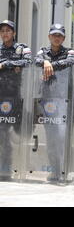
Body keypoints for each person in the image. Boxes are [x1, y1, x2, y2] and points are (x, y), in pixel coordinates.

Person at [34, 24, 74, 181]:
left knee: (63, 137)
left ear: (63, 38)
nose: (56, 37)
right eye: (54, 35)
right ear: (49, 37)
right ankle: (55, 170)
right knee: (52, 138)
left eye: (59, 35)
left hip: (65, 99)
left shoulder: (69, 51)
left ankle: (64, 170)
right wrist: (45, 62)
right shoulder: (42, 52)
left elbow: (69, 62)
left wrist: (49, 64)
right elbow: (37, 60)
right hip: (48, 101)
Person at [0, 20, 32, 180]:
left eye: (8, 30)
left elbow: (28, 61)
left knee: (14, 134)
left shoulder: (21, 48)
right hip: (0, 97)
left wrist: (6, 64)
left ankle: (7, 168)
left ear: (14, 33)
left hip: (15, 98)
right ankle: (4, 168)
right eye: (2, 31)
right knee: (2, 134)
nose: (5, 33)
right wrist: (13, 66)